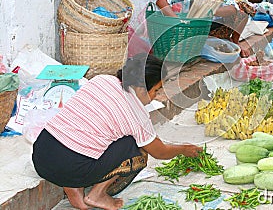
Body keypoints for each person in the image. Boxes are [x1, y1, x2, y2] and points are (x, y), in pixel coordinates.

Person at [32, 53, 203, 210]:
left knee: (91, 136)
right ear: (142, 89)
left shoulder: (102, 80)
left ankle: (73, 186)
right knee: (137, 147)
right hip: (73, 168)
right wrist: (183, 149)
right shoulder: (137, 114)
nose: (156, 96)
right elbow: (160, 152)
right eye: (156, 90)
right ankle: (97, 194)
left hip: (41, 155)